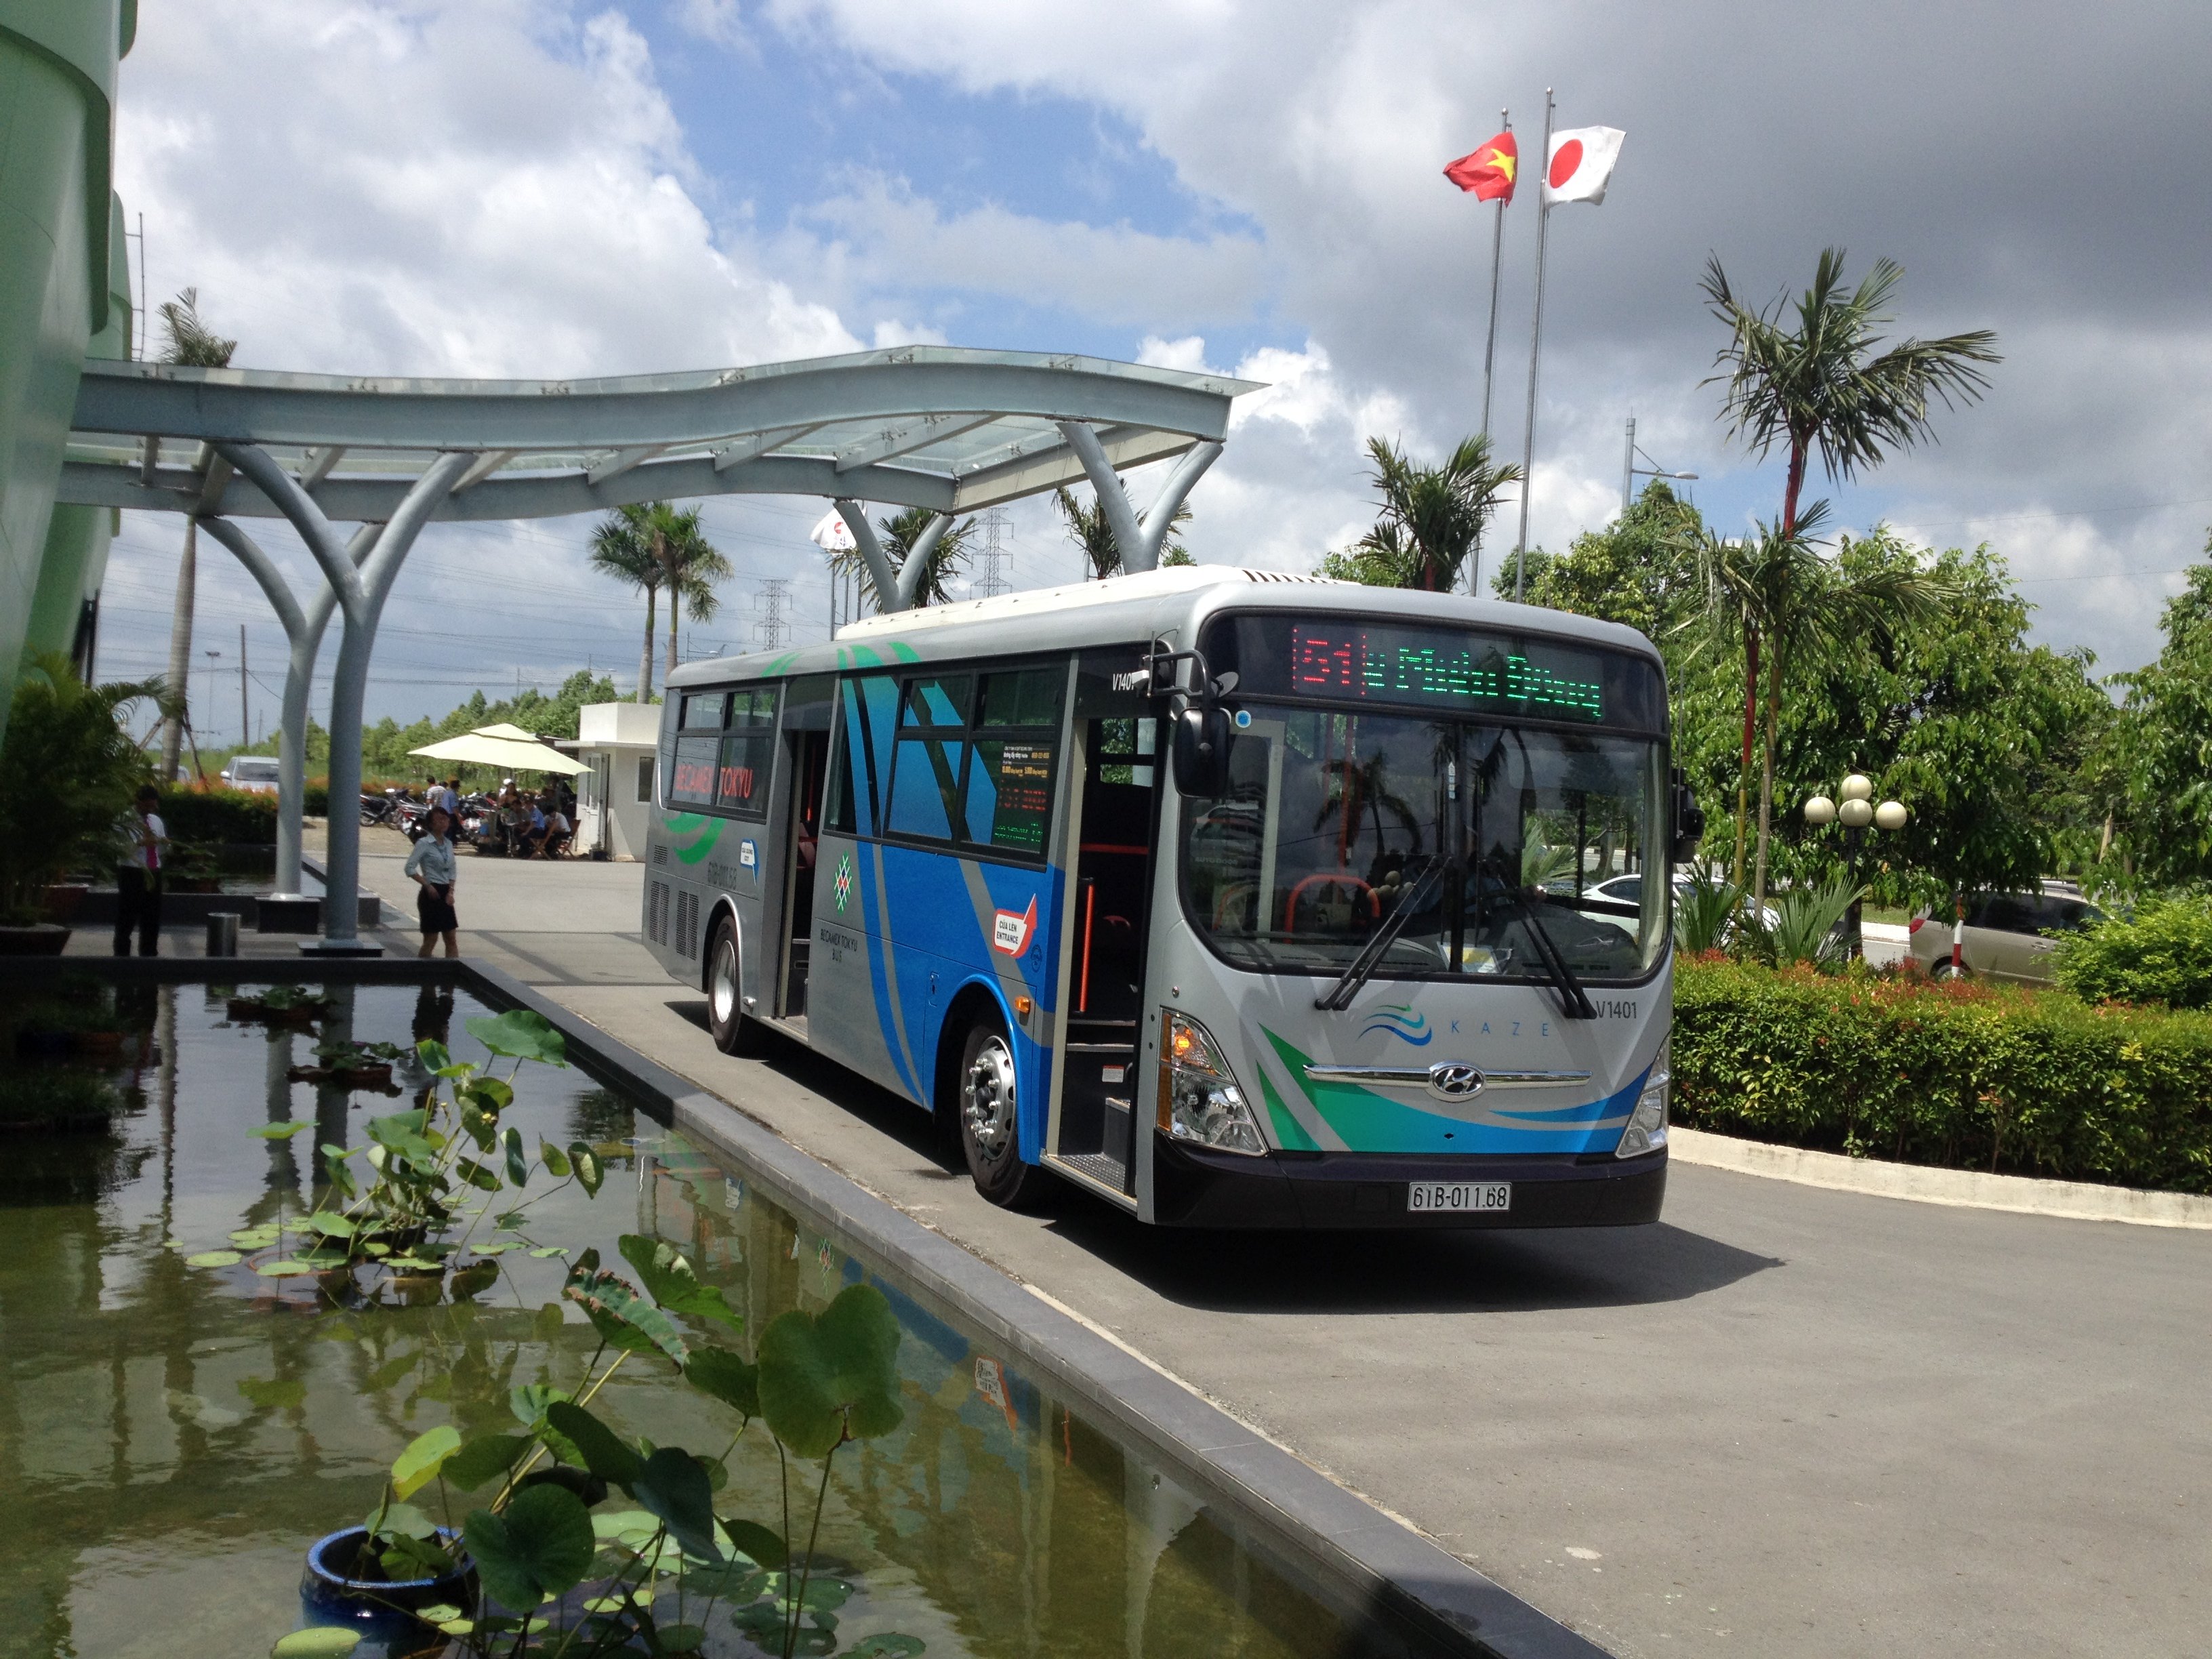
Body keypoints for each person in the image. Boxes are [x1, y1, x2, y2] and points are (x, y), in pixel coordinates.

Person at [113, 784, 167, 956]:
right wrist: (140, 843)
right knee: (128, 915)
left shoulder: (156, 821)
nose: (150, 809)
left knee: (152, 917)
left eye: (153, 806)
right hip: (132, 870)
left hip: (153, 870)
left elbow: (161, 851)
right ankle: (122, 955)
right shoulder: (124, 819)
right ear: (139, 802)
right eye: (147, 806)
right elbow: (118, 848)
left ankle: (149, 953)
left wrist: (163, 843)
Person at [403, 803, 460, 958]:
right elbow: (409, 868)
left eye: (445, 819)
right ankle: (422, 975)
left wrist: (451, 891)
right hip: (431, 892)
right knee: (431, 939)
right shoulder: (424, 843)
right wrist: (427, 885)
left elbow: (452, 870)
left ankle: (451, 976)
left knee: (451, 938)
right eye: (439, 819)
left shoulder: (448, 844)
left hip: (445, 892)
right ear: (431, 824)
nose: (444, 822)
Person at [539, 794, 573, 859]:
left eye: (551, 814)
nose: (550, 816)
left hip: (564, 833)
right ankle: (547, 853)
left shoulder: (561, 817)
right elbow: (543, 823)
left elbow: (564, 830)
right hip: (554, 832)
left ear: (554, 812)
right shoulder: (548, 817)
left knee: (553, 837)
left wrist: (554, 828)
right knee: (546, 834)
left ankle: (552, 853)